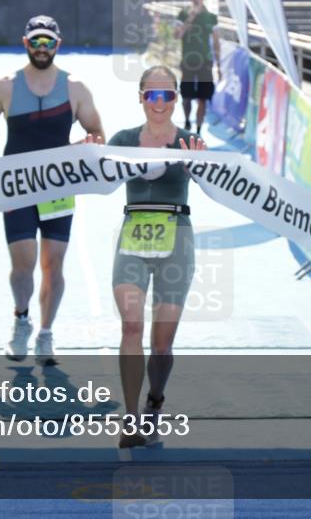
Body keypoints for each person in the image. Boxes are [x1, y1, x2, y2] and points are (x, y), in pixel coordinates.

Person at [0, 15, 104, 365]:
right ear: (25, 44)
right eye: (36, 41)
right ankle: (21, 320)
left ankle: (46, 334)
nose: (42, 48)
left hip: (57, 188)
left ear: (58, 45)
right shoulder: (4, 86)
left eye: (48, 42)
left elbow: (98, 135)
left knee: (53, 263)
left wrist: (82, 147)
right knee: (22, 262)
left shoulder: (75, 88)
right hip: (15, 187)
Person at [105, 65, 206, 448]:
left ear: (176, 99)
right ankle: (130, 419)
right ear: (141, 98)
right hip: (133, 237)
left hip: (177, 238)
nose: (159, 103)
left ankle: (154, 400)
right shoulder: (124, 139)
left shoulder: (189, 142)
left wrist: (203, 167)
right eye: (152, 95)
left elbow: (221, 186)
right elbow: (95, 176)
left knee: (162, 343)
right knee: (131, 327)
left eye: (167, 96)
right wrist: (87, 154)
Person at [174, 0, 219, 134]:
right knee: (186, 96)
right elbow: (176, 35)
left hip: (205, 61)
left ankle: (198, 129)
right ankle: (187, 122)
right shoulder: (183, 14)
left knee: (203, 98)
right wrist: (189, 19)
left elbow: (216, 40)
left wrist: (218, 63)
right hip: (188, 61)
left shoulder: (211, 17)